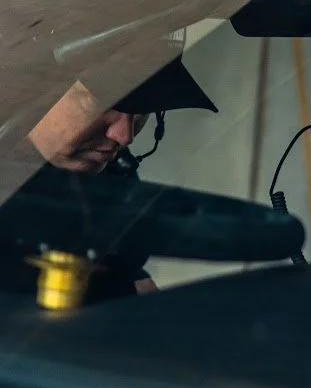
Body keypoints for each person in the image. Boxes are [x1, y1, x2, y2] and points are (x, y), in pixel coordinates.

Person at [10, 56, 218, 300]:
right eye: (107, 105)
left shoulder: (112, 179)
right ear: (35, 87)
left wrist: (131, 279)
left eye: (142, 112)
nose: (124, 135)